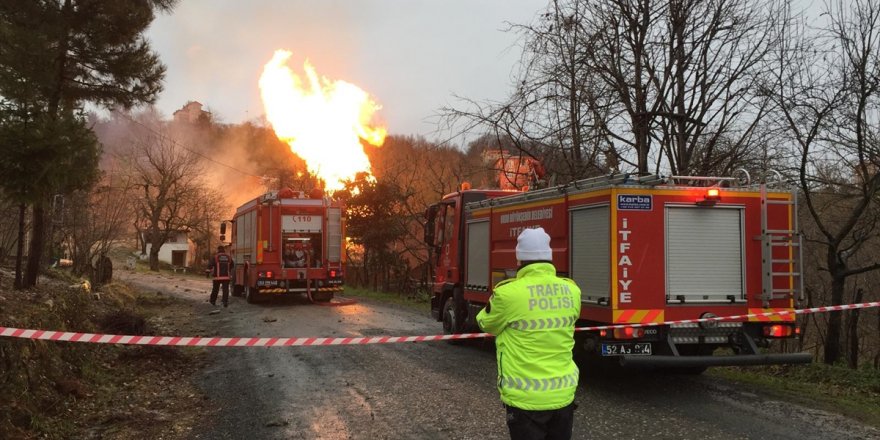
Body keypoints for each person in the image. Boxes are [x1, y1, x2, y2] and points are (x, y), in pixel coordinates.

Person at [476, 227, 582, 440]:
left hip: (526, 400)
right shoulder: (572, 291)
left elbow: (485, 323)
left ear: (519, 260)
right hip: (563, 395)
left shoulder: (508, 293)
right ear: (549, 257)